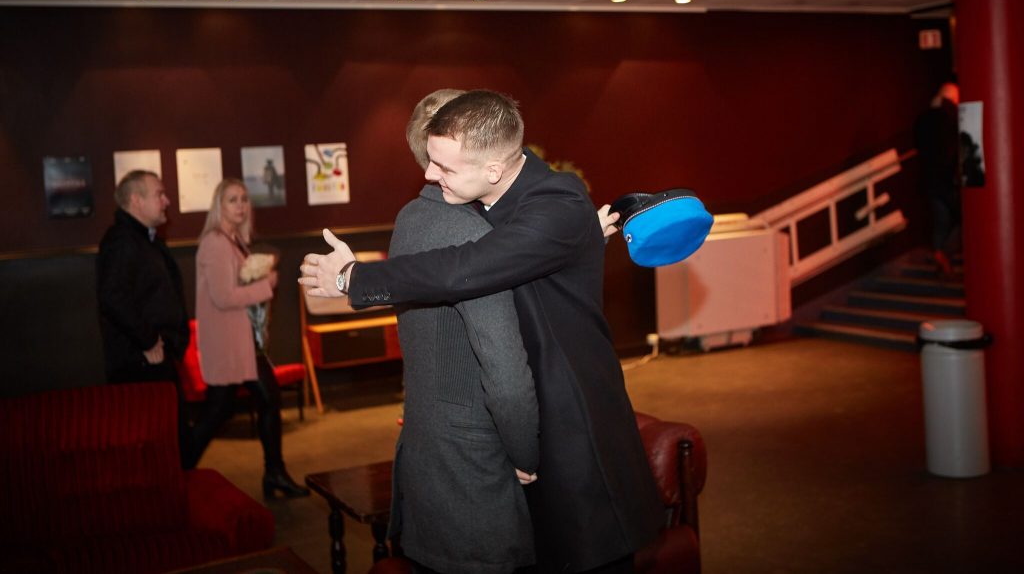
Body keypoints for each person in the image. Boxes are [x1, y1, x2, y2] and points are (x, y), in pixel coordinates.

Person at [301, 90, 662, 573]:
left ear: (493, 169)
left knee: (590, 555)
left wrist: (353, 278)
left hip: (573, 421)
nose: (428, 175)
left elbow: (467, 267)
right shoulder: (491, 199)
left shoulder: (558, 203)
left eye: (443, 167)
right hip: (529, 415)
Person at [387, 89, 539, 573]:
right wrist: (526, 452)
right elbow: (505, 374)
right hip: (473, 467)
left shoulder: (409, 218)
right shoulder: (470, 235)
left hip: (425, 448)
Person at [188, 178, 308, 498]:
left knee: (261, 400)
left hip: (243, 342)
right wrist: (266, 284)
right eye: (232, 200)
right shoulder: (215, 242)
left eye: (243, 199)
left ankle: (274, 473)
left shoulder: (234, 241)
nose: (240, 205)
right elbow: (224, 297)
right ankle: (179, 470)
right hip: (228, 343)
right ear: (218, 206)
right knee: (219, 410)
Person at [97, 170, 192, 465]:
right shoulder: (121, 241)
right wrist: (148, 340)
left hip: (156, 357)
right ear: (136, 200)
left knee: (171, 445)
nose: (167, 201)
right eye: (159, 194)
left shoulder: (145, 239)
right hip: (141, 362)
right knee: (153, 448)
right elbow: (113, 297)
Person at [914, 81, 961, 275]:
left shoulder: (923, 119)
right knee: (963, 218)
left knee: (941, 219)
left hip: (929, 178)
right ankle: (943, 253)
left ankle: (939, 253)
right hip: (948, 179)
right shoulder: (952, 118)